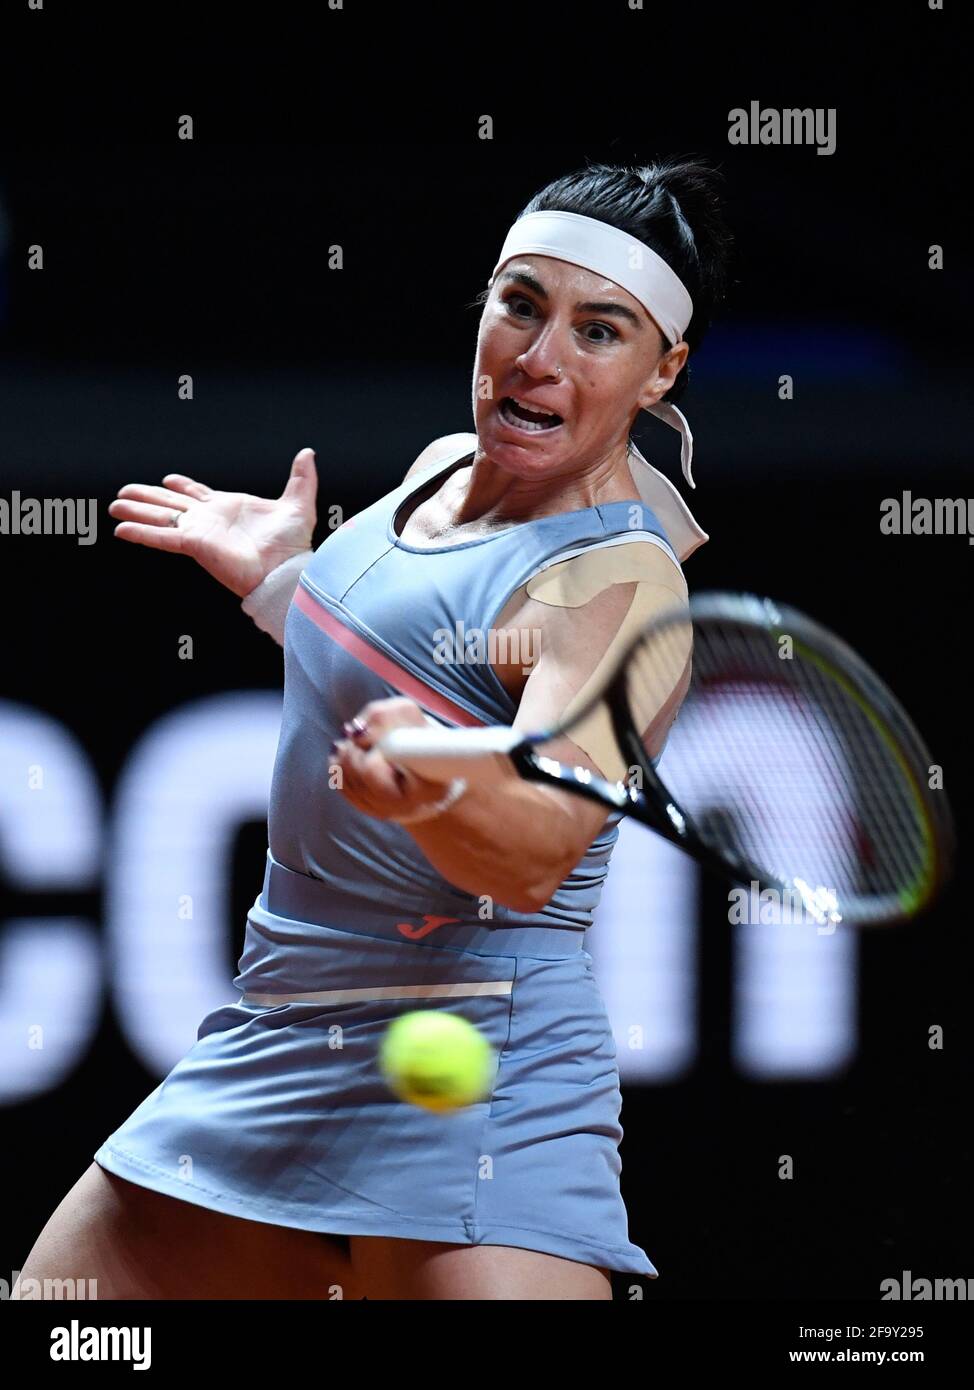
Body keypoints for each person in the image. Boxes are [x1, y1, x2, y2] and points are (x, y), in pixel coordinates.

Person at [13, 157, 733, 1301]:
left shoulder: (618, 582)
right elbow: (414, 677)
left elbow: (540, 845)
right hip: (275, 1034)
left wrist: (433, 796)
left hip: (478, 1080)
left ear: (663, 374)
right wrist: (281, 588)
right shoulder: (444, 467)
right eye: (520, 305)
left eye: (600, 331)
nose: (539, 357)